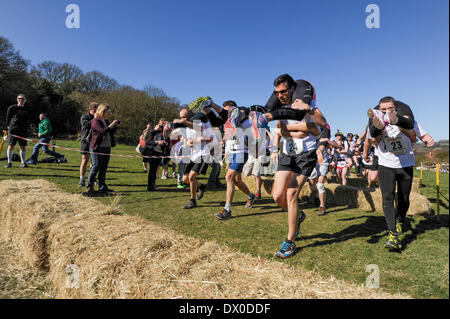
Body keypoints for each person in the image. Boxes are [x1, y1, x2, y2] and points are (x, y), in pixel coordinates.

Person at [267, 74, 323, 259]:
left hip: (305, 155)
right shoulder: (279, 108)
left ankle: (289, 242)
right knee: (276, 196)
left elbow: (319, 126)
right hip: (287, 153)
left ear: (292, 89)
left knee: (291, 194)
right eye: (277, 92)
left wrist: (305, 120)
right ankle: (298, 215)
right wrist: (300, 128)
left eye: (284, 91)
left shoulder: (304, 104)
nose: (281, 95)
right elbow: (281, 130)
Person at [364, 97, 417, 251]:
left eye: (390, 109)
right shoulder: (375, 123)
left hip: (405, 164)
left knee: (404, 198)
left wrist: (427, 139)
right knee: (387, 197)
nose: (387, 111)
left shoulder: (406, 119)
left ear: (395, 108)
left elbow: (418, 135)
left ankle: (400, 220)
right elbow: (369, 139)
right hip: (385, 164)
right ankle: (392, 233)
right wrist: (366, 154)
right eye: (383, 110)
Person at [86, 104, 120, 195]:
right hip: (97, 148)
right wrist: (111, 125)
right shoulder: (95, 121)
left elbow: (109, 132)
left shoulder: (105, 121)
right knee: (95, 166)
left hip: (106, 148)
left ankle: (102, 187)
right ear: (102, 111)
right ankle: (89, 186)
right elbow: (102, 131)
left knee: (104, 168)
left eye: (109, 112)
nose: (109, 113)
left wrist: (116, 126)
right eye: (107, 112)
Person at [5, 94, 30, 168]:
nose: (21, 100)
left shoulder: (27, 109)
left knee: (22, 146)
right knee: (11, 146)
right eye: (19, 99)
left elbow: (28, 119)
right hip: (13, 130)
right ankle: (9, 162)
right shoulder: (12, 108)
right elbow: (8, 118)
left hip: (23, 131)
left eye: (22, 99)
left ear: (25, 100)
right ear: (17, 100)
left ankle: (22, 162)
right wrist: (9, 127)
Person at [78, 102, 98, 187]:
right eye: (97, 108)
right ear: (93, 109)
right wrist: (94, 119)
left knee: (93, 162)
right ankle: (82, 179)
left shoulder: (99, 118)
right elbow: (86, 125)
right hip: (85, 141)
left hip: (95, 141)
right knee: (85, 159)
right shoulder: (84, 117)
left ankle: (92, 179)